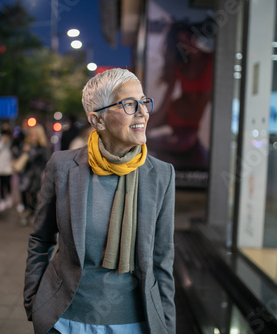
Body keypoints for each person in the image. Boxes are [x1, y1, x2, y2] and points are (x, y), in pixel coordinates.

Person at [24, 68, 176, 334]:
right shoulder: (62, 166)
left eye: (143, 101)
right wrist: (34, 302)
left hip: (136, 323)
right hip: (65, 320)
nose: (143, 112)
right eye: (129, 104)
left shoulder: (161, 175)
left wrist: (167, 324)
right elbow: (41, 239)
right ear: (98, 120)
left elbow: (162, 259)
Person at [147, 20, 213, 169]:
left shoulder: (211, 59)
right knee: (138, 129)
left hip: (190, 125)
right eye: (182, 43)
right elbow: (166, 101)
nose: (188, 45)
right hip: (174, 113)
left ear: (195, 37)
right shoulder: (179, 65)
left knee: (174, 147)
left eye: (189, 39)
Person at [16, 124, 48, 225]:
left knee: (34, 193)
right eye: (31, 134)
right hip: (25, 174)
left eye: (35, 134)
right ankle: (26, 211)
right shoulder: (25, 145)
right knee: (23, 191)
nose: (33, 137)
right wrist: (23, 151)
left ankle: (32, 213)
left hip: (36, 174)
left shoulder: (42, 147)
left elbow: (46, 160)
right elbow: (17, 156)